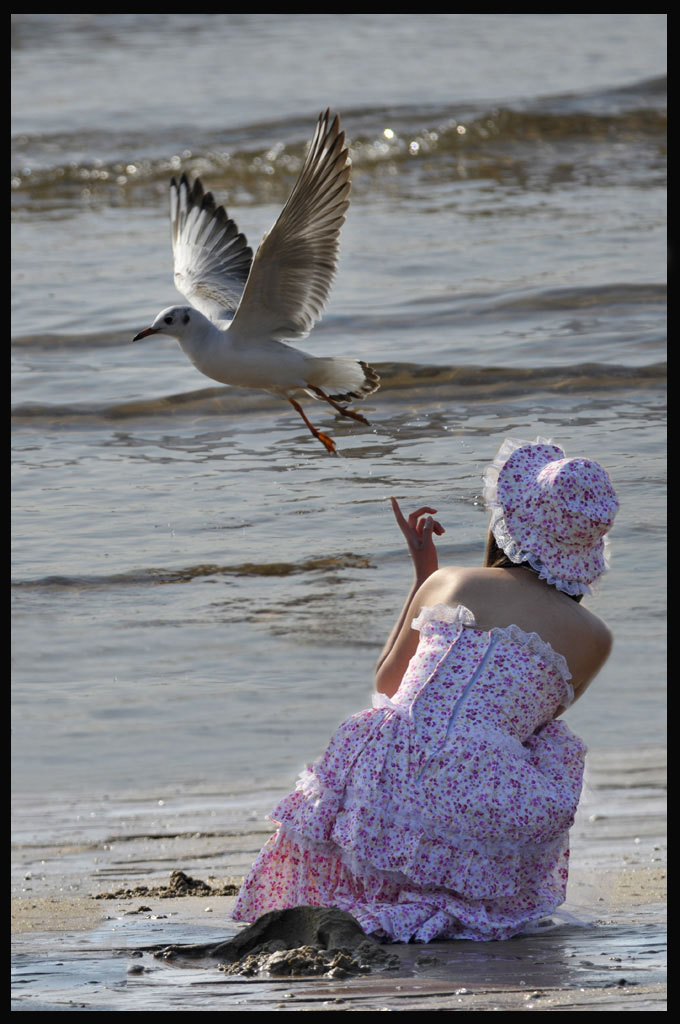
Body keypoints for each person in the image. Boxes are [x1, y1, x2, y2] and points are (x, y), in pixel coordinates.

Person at [232, 437, 619, 942]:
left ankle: (370, 894)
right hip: (483, 801)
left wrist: (424, 576)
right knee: (552, 746)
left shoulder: (452, 582)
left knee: (384, 721)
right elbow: (527, 726)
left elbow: (387, 682)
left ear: (512, 523)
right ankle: (450, 892)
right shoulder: (595, 638)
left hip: (389, 781)